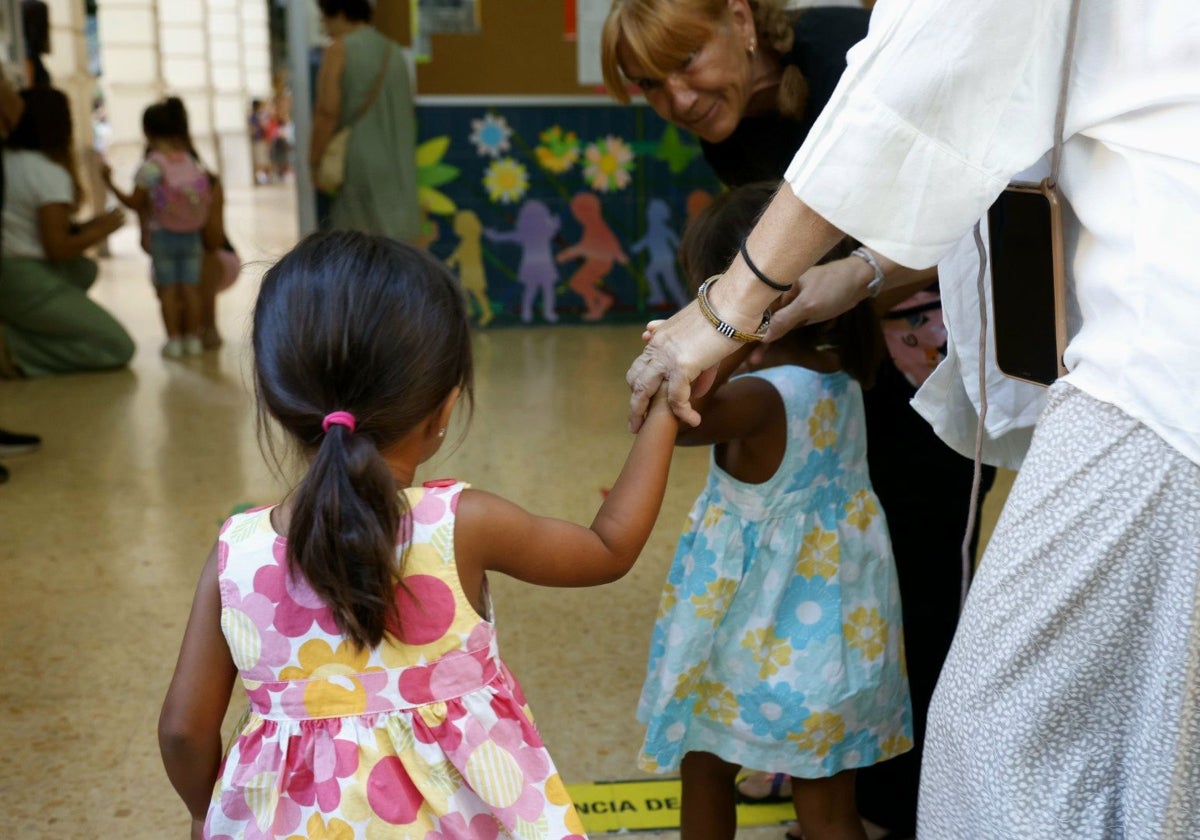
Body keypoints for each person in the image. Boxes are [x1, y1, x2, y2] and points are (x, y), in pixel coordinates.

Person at [624, 0, 1200, 836]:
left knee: (996, 742)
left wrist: (724, 309)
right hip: (1146, 355)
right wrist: (852, 277)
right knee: (1138, 731)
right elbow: (987, 150)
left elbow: (912, 102)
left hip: (1159, 366)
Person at [602, 3, 991, 833]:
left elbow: (954, 208)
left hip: (922, 322)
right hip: (835, 344)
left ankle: (919, 793)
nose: (675, 97)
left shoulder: (850, 55)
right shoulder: (728, 123)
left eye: (687, 60)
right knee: (856, 534)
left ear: (741, 19)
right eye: (649, 84)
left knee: (925, 562)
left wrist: (717, 359)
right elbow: (764, 257)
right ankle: (831, 755)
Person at [158, 230, 679, 838]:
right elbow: (608, 549)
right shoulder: (461, 524)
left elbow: (183, 730)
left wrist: (206, 812)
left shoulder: (237, 554)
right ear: (444, 410)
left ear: (278, 403)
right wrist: (664, 407)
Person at [637, 183, 911, 840]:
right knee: (828, 807)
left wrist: (713, 344)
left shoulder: (757, 398)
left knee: (704, 770)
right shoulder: (836, 373)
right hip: (831, 647)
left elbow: (666, 413)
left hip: (743, 647)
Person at [0, 86, 130, 377]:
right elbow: (56, 247)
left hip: (12, 271)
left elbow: (36, 229)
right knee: (117, 346)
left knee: (84, 270)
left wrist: (89, 227)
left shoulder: (10, 161)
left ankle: (29, 324)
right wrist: (101, 231)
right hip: (23, 277)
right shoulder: (48, 172)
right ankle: (14, 348)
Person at [105, 97, 213, 359]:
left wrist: (108, 182)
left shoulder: (153, 165)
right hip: (192, 235)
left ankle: (174, 340)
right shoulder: (189, 161)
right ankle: (193, 339)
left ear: (148, 132)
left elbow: (135, 202)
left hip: (164, 236)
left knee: (167, 290)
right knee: (190, 289)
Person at [310, 0, 419, 240]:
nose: (321, 22)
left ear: (339, 12)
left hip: (358, 163)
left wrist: (315, 162)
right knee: (394, 248)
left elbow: (327, 111)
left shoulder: (338, 50)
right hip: (399, 162)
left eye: (323, 15)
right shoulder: (396, 52)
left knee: (359, 247)